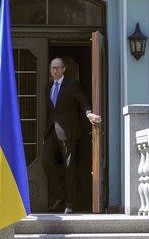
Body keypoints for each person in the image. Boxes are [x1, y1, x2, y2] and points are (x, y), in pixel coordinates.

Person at [43, 57, 101, 214]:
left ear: (63, 69)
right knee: (46, 161)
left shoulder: (71, 84)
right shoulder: (48, 87)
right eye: (52, 68)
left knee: (69, 168)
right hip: (51, 131)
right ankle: (60, 195)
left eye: (57, 68)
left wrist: (89, 114)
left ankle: (70, 203)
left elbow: (82, 101)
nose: (54, 71)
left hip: (68, 132)